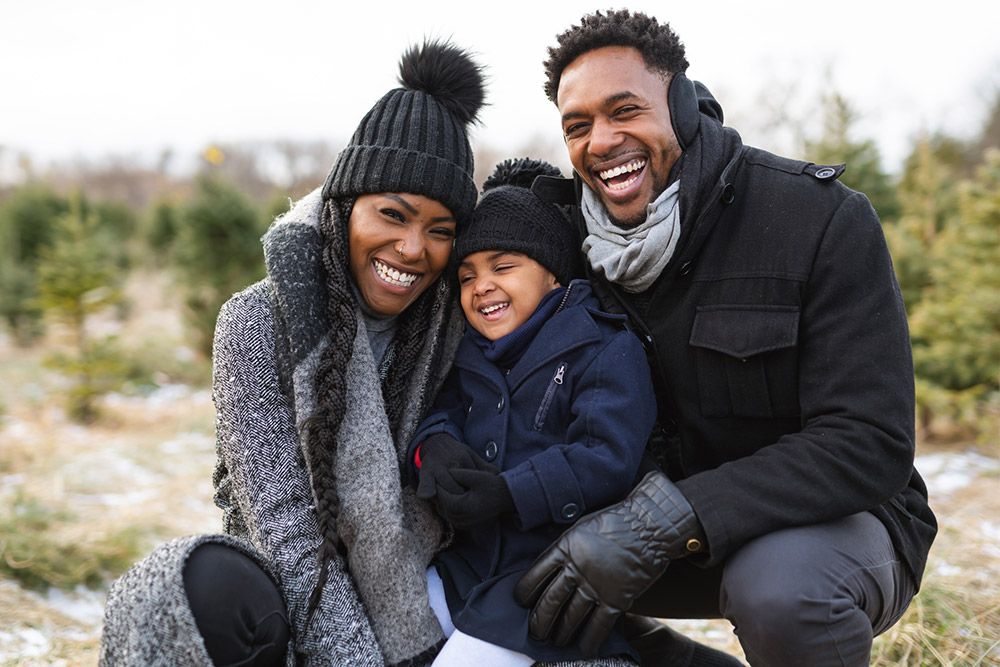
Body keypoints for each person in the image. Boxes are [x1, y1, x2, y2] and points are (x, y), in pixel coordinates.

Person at [513, 9, 938, 667]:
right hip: (640, 537)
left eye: (624, 111)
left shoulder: (818, 218)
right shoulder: (564, 245)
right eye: (578, 125)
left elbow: (869, 441)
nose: (600, 141)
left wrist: (665, 518)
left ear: (681, 105)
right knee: (500, 562)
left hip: (830, 528)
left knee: (781, 590)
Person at [99, 40, 485, 667]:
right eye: (393, 214)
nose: (414, 248)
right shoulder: (256, 322)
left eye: (440, 230)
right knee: (192, 586)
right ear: (344, 208)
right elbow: (290, 538)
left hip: (434, 596)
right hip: (292, 597)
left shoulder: (458, 325)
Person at [407, 158, 657, 666]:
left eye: (503, 267)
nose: (482, 287)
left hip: (548, 576)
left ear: (552, 276)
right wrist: (432, 448)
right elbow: (439, 413)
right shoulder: (469, 351)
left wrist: (510, 492)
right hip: (466, 569)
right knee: (390, 636)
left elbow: (606, 457)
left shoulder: (604, 347)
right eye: (467, 276)